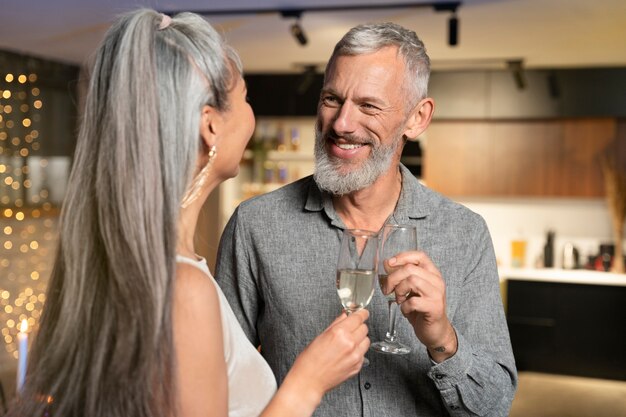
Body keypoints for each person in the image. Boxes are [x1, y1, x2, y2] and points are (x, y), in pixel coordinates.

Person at [7, 9, 370, 417]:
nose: (251, 114)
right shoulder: (184, 290)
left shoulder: (106, 264)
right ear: (210, 126)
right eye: (245, 97)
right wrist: (307, 383)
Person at [216, 22, 518, 416]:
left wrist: (443, 338)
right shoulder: (255, 225)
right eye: (331, 99)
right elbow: (214, 386)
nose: (342, 124)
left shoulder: (465, 233)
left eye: (369, 106)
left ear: (418, 118)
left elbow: (493, 406)